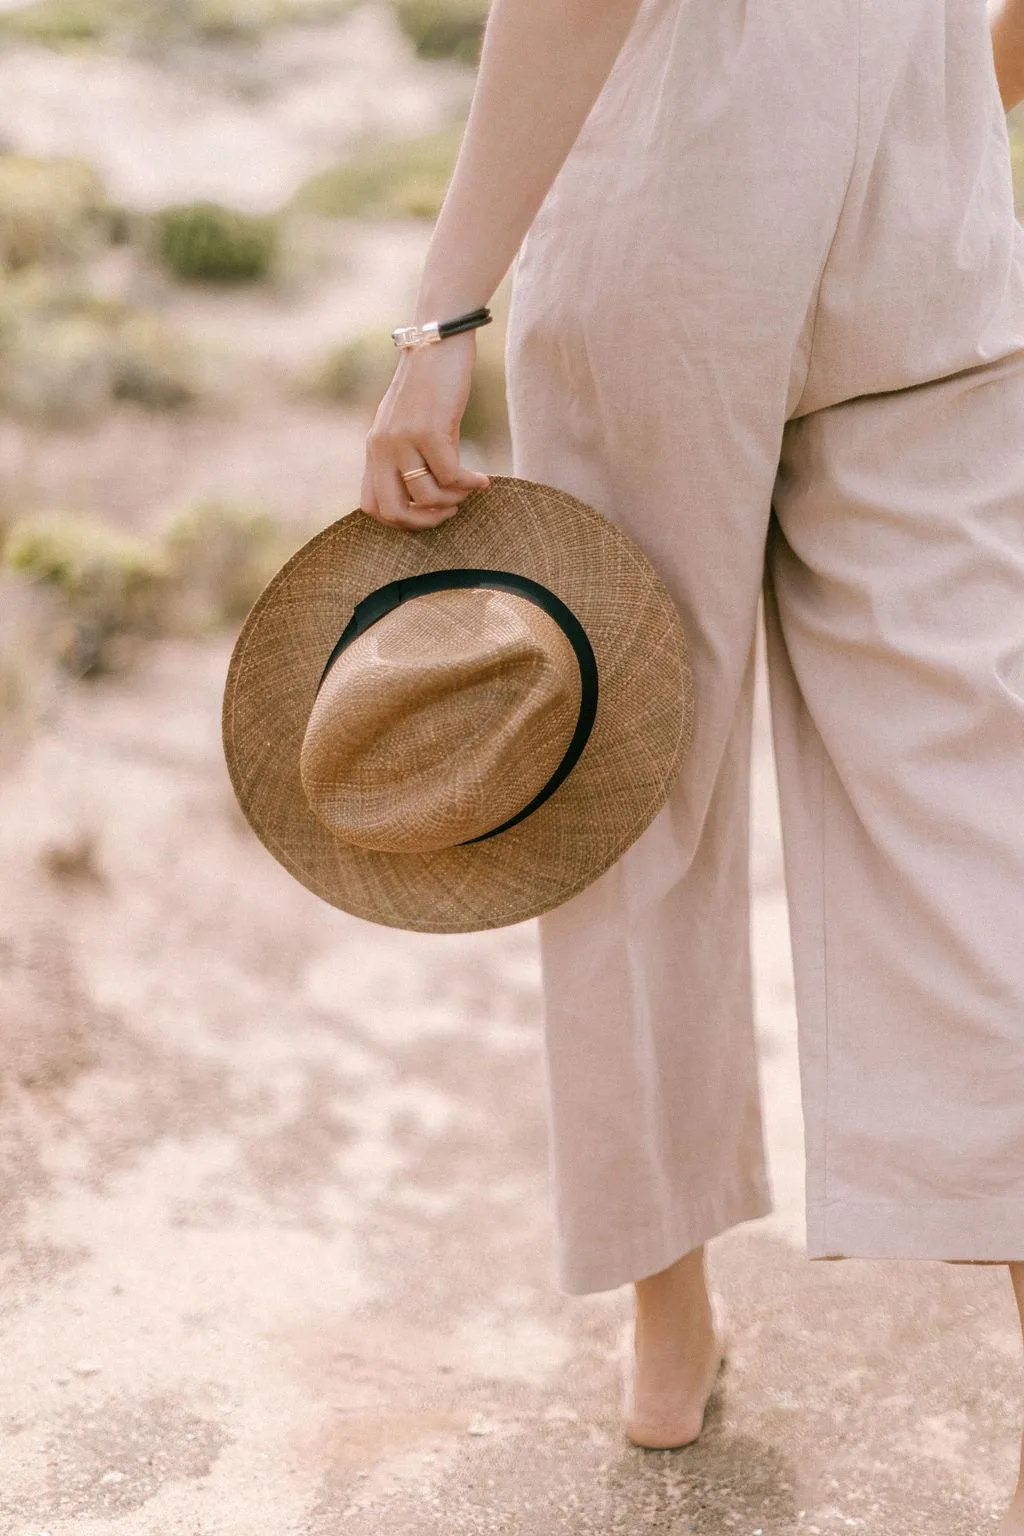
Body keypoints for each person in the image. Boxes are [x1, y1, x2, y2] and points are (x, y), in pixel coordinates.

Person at [359, 0, 1024, 1524]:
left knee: (630, 778)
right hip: (932, 202)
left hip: (685, 192)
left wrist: (441, 316)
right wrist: (934, 111)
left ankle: (673, 1323)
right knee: (973, 810)